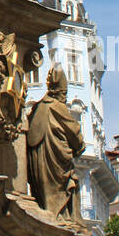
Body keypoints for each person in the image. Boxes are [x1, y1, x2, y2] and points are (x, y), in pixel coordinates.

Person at [26, 64, 85, 222]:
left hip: (37, 167)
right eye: (64, 93)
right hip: (56, 166)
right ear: (60, 91)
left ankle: (51, 214)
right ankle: (62, 218)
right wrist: (79, 147)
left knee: (45, 199)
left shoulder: (37, 108)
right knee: (66, 190)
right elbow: (76, 135)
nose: (65, 97)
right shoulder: (57, 107)